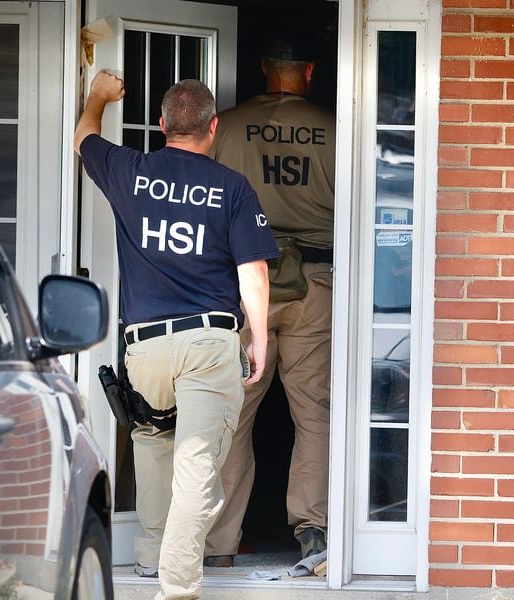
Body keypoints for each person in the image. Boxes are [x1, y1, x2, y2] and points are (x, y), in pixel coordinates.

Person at [74, 72, 278, 599]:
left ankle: (149, 557)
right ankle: (178, 587)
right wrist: (260, 338)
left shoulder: (130, 170)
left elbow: (82, 139)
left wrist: (98, 96)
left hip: (145, 346)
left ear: (163, 125)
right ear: (213, 128)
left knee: (151, 439)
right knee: (197, 464)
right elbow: (252, 273)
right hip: (209, 343)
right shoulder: (232, 187)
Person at [204, 37, 335, 567]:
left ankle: (217, 544)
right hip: (315, 281)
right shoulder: (337, 127)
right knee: (315, 413)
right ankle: (314, 530)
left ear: (263, 68)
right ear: (308, 70)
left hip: (243, 282)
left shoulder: (226, 126)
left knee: (231, 416)